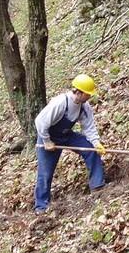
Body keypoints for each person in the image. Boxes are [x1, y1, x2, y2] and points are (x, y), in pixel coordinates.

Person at [34, 74, 106, 214]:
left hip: (66, 135)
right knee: (45, 173)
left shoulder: (84, 106)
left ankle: (97, 185)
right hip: (48, 137)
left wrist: (96, 143)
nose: (89, 97)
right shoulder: (60, 103)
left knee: (90, 149)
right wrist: (47, 141)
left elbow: (89, 127)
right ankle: (41, 207)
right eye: (87, 94)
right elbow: (40, 122)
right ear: (78, 92)